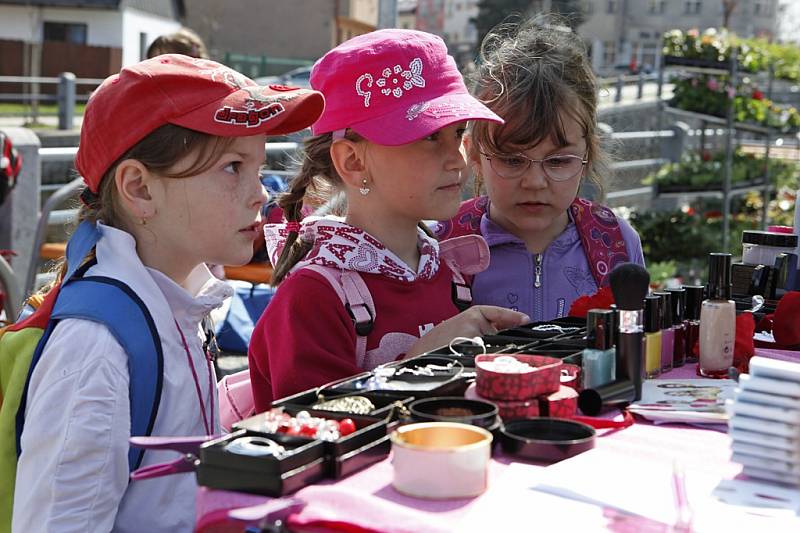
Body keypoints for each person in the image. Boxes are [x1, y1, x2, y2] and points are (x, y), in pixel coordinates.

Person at [12, 55, 323, 532]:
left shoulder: (179, 300)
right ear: (139, 189)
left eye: (258, 167)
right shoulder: (95, 349)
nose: (260, 193)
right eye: (232, 167)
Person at [248, 29, 529, 409]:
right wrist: (420, 362)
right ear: (353, 161)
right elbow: (312, 434)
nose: (458, 159)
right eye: (429, 137)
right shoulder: (312, 297)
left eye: (459, 133)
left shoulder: (448, 272)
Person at [434, 20, 645, 322]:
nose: (534, 182)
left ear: (588, 154)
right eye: (512, 160)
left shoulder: (616, 244)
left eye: (558, 161)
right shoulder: (441, 247)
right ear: (474, 154)